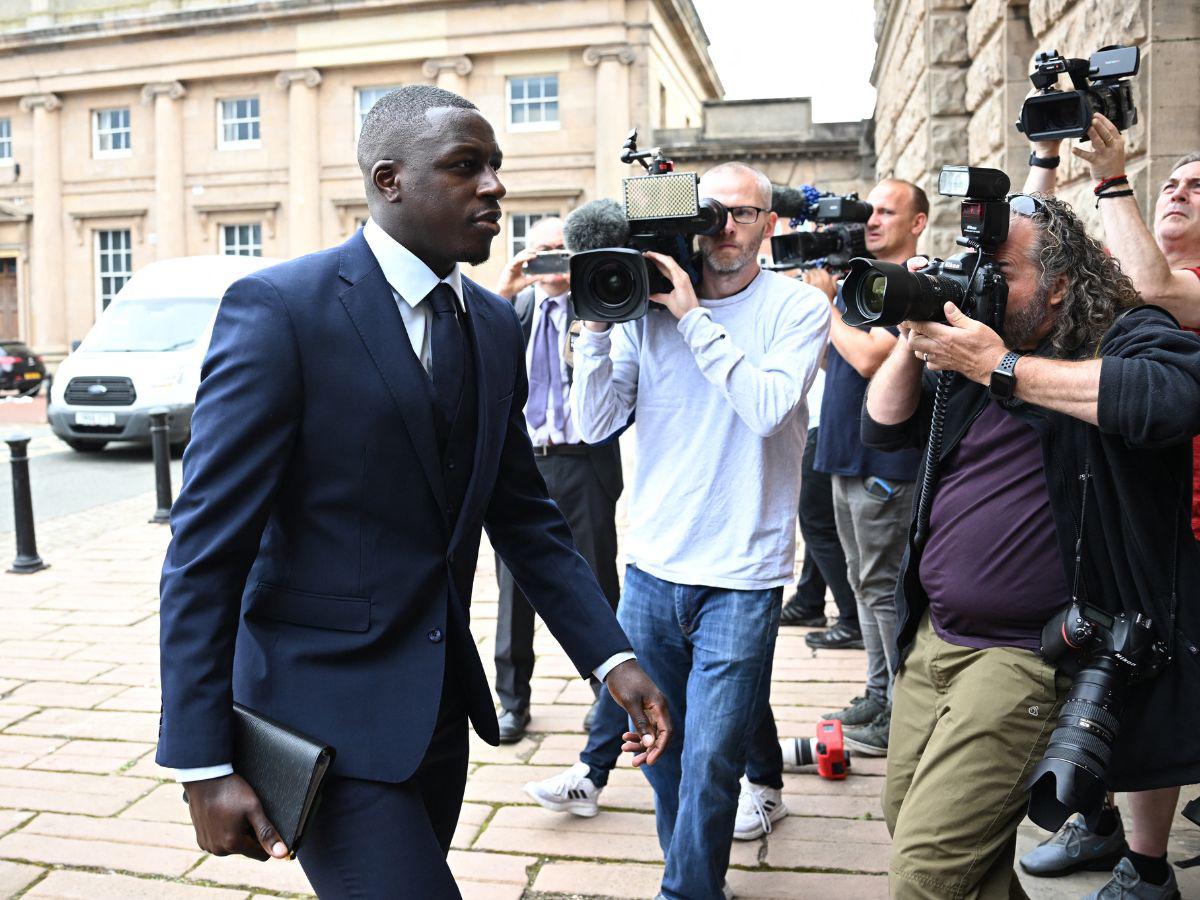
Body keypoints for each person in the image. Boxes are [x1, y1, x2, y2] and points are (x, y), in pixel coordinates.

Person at [155, 85, 671, 899]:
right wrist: (200, 759)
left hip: (436, 719)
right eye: (466, 167)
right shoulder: (282, 311)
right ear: (388, 179)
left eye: (496, 167)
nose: (494, 186)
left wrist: (611, 657)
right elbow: (205, 554)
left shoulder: (494, 326)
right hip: (316, 724)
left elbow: (526, 518)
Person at [863, 192, 1200, 899]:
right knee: (925, 834)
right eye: (975, 264)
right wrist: (912, 330)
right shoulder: (975, 344)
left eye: (1002, 269)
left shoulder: (1119, 332)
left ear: (1059, 281)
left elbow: (1171, 397)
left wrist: (1004, 368)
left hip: (1027, 655)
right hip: (933, 640)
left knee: (927, 874)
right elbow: (884, 429)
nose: (983, 281)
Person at [529, 161, 828, 900]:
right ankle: (691, 879)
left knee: (714, 757)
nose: (724, 228)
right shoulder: (644, 311)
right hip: (654, 567)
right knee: (660, 754)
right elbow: (596, 423)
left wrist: (692, 316)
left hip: (742, 573)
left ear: (770, 224)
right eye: (712, 212)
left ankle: (686, 891)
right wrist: (597, 327)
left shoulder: (795, 308)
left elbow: (765, 408)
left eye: (744, 214)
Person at [1021, 122, 1200, 898]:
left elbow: (1156, 290)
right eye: (1174, 181)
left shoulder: (1173, 282)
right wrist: (1044, 168)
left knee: (1157, 686)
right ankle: (1102, 821)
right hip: (1128, 508)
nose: (1178, 191)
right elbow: (1027, 259)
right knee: (1113, 666)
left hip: (1187, 524)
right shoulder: (1135, 273)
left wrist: (1115, 180)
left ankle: (1148, 868)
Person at [801, 179, 928, 757]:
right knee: (861, 582)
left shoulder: (917, 280)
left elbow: (873, 355)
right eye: (868, 210)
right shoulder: (861, 282)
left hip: (886, 459)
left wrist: (823, 304)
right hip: (846, 450)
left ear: (919, 222)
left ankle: (899, 710)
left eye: (886, 211)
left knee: (884, 589)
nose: (871, 220)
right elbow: (837, 357)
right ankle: (878, 694)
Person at [489, 217, 623, 743]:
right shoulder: (512, 309)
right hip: (523, 463)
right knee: (513, 588)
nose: (550, 261)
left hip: (584, 461)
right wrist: (503, 290)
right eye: (540, 250)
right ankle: (511, 701)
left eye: (560, 251)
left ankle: (607, 695)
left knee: (595, 579)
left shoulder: (599, 307)